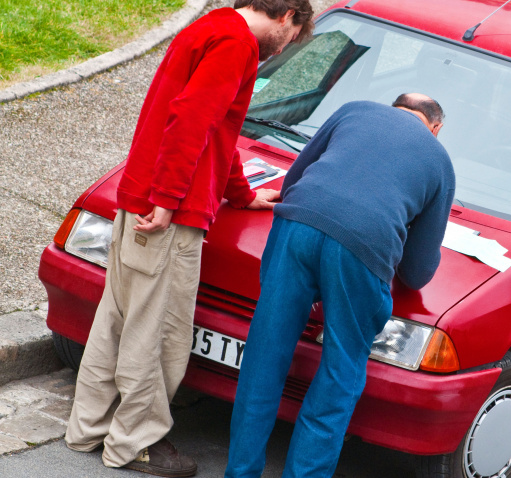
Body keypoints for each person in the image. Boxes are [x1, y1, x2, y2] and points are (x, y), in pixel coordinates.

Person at [64, 1, 314, 476]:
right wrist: (169, 197)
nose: (284, 47)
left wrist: (240, 193)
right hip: (168, 213)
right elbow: (194, 119)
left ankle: (87, 429)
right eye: (294, 35)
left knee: (116, 318)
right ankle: (134, 444)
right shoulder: (238, 45)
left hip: (139, 197)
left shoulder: (211, 25)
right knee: (156, 332)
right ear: (287, 16)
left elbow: (219, 129)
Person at [225, 94, 455, 478]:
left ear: (392, 107)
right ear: (436, 128)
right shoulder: (439, 160)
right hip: (361, 251)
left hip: (296, 225)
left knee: (265, 355)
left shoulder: (355, 110)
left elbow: (296, 178)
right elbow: (416, 272)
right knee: (339, 374)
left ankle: (240, 472)